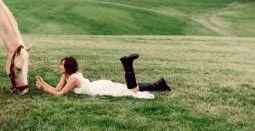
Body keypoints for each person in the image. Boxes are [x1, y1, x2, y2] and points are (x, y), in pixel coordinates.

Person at [35, 54, 171, 100]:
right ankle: (159, 85)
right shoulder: (66, 76)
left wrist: (44, 88)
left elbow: (59, 94)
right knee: (129, 88)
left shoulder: (73, 79)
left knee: (130, 91)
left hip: (99, 89)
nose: (59, 66)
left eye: (61, 65)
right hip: (97, 86)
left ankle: (128, 65)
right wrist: (44, 84)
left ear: (68, 68)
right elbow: (57, 89)